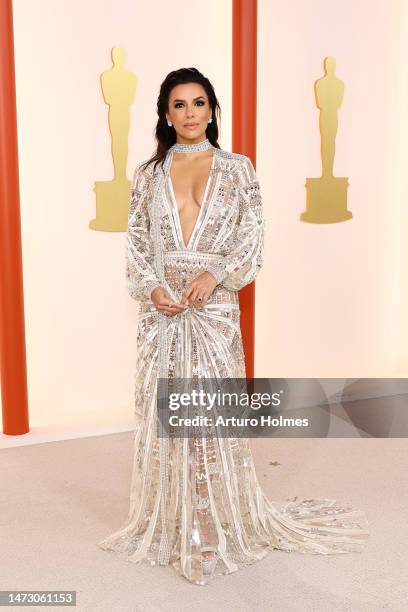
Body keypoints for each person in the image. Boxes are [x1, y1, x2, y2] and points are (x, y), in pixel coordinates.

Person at [98, 67, 369, 586]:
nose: (191, 113)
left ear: (213, 110)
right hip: (162, 310)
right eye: (179, 105)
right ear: (165, 114)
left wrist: (216, 272)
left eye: (199, 103)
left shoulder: (237, 168)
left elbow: (251, 236)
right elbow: (135, 242)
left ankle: (208, 525)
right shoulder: (148, 175)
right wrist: (152, 286)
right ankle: (173, 521)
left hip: (214, 305)